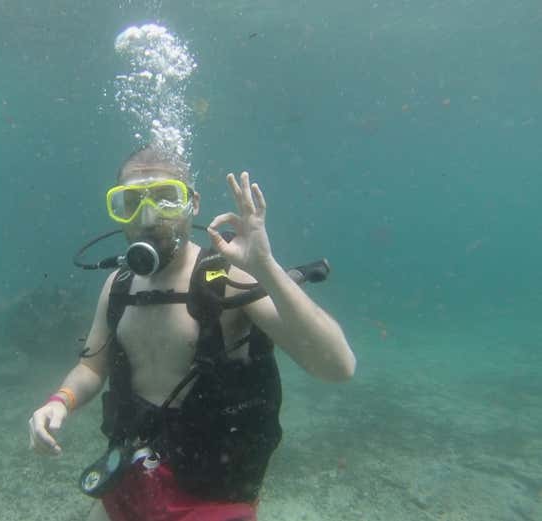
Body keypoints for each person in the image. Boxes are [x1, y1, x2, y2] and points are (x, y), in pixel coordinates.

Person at [29, 145, 356, 521]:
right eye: (130, 201)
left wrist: (265, 267)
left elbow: (338, 367)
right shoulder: (118, 285)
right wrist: (60, 401)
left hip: (215, 488)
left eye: (167, 198)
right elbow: (91, 369)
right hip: (130, 472)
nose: (148, 217)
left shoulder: (227, 276)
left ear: (193, 204)